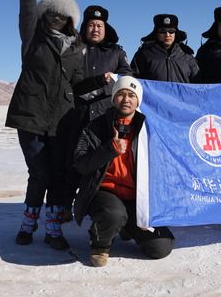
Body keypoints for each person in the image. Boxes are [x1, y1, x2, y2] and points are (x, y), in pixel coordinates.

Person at [5, 0, 104, 250]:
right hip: (31, 118)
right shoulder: (33, 39)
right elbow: (26, 11)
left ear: (70, 19)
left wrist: (102, 82)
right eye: (52, 14)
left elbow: (78, 84)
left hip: (61, 121)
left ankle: (53, 230)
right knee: (39, 173)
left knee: (58, 174)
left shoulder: (76, 48)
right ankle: (28, 224)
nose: (57, 19)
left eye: (62, 16)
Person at [73, 76, 175, 267]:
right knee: (113, 214)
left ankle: (127, 226)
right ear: (113, 98)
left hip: (138, 197)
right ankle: (100, 244)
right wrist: (109, 149)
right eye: (121, 94)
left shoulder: (148, 128)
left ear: (138, 100)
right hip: (105, 192)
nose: (126, 99)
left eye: (131, 95)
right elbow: (81, 164)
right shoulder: (96, 127)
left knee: (160, 247)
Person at [76, 5, 132, 125]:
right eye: (91, 25)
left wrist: (110, 82)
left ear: (105, 28)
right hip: (77, 114)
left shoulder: (117, 52)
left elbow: (127, 76)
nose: (95, 29)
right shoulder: (74, 51)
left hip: (106, 114)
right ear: (85, 28)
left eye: (99, 26)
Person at [131, 14, 199, 83]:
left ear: (175, 33)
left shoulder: (187, 56)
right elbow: (132, 79)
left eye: (171, 31)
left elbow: (198, 83)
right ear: (157, 33)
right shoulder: (144, 54)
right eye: (163, 31)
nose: (167, 35)